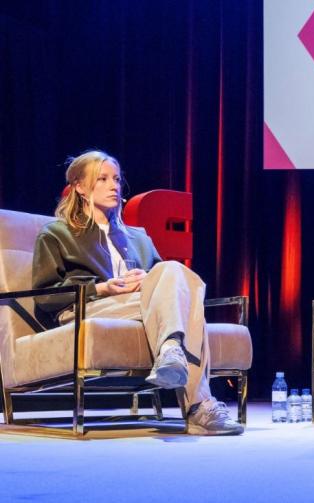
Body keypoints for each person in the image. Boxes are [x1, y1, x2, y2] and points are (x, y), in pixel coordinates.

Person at [32, 149, 243, 435]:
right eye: (102, 179)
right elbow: (44, 297)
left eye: (117, 179)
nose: (114, 186)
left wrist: (147, 278)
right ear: (80, 187)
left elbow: (169, 282)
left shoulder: (138, 236)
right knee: (188, 302)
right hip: (87, 307)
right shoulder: (57, 233)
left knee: (172, 271)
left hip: (137, 305)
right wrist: (101, 287)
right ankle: (199, 405)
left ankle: (171, 351)